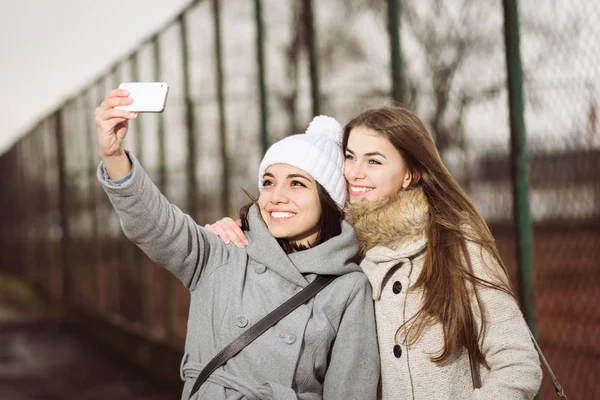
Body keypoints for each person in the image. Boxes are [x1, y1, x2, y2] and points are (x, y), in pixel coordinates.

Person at [209, 105, 543, 399]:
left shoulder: (454, 244)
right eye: (350, 157)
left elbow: (518, 366)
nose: (354, 172)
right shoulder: (337, 248)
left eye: (374, 161)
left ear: (410, 174)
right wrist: (232, 230)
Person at [94, 88, 380, 400]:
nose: (276, 196)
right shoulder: (223, 251)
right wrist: (113, 156)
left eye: (297, 183)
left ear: (328, 199)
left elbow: (352, 393)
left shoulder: (348, 288)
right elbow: (153, 224)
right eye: (268, 182)